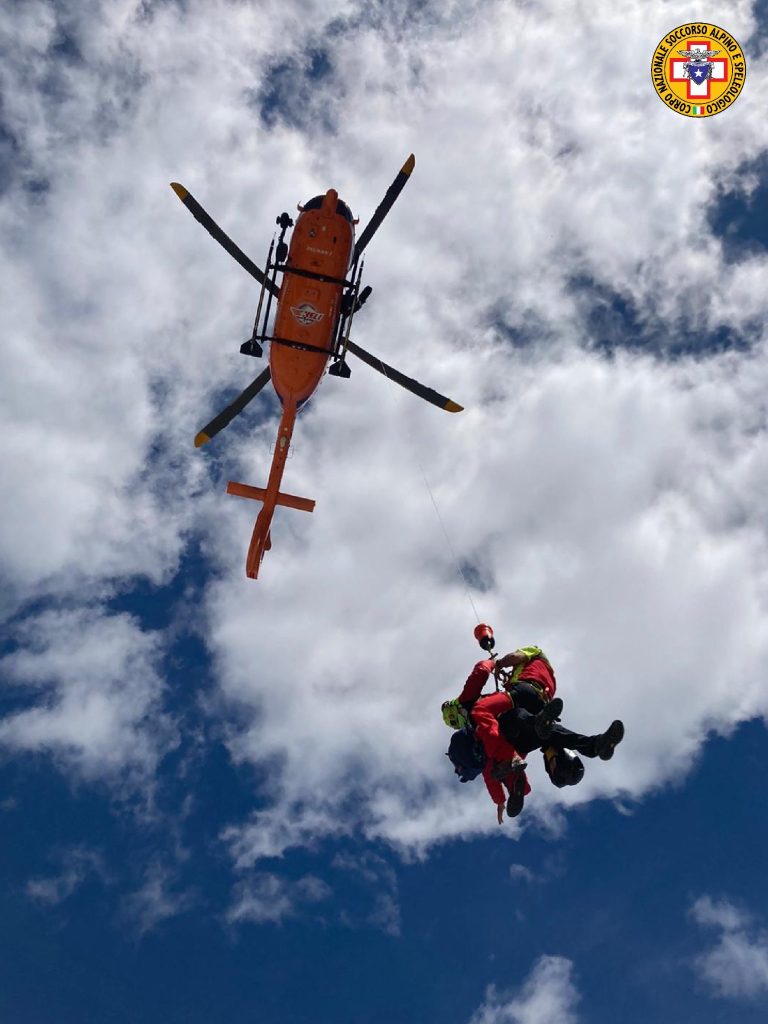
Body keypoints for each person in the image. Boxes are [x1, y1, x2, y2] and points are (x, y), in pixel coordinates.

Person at [443, 647, 624, 805]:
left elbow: (488, 772)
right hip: (527, 711)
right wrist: (493, 663)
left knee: (516, 738)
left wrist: (499, 801)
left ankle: (517, 784)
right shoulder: (471, 705)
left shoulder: (472, 720)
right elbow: (481, 672)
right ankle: (593, 745)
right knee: (542, 733)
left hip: (511, 732)